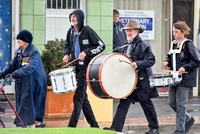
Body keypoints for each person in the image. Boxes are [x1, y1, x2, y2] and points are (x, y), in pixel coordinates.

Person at [104, 20, 159, 134]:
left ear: (137, 31)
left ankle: (154, 128)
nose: (128, 32)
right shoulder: (125, 45)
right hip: (129, 82)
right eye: (127, 30)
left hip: (142, 81)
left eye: (131, 30)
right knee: (123, 104)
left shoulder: (144, 45)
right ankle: (116, 128)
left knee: (147, 104)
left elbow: (151, 60)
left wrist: (138, 64)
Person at [62, 9, 105, 128]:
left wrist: (86, 52)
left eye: (75, 16)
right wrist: (66, 54)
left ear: (80, 18)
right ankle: (94, 125)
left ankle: (71, 126)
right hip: (75, 67)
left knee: (78, 96)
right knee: (83, 98)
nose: (72, 18)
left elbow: (101, 46)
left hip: (86, 67)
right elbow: (67, 45)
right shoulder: (70, 32)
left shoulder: (88, 31)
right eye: (71, 16)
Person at [0, 30, 47, 128]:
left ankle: (30, 125)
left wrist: (17, 73)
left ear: (27, 40)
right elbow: (12, 65)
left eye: (20, 38)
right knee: (22, 101)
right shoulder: (18, 51)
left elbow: (31, 67)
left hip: (35, 81)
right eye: (17, 38)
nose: (18, 40)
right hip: (23, 79)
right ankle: (23, 124)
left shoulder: (34, 51)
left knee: (29, 103)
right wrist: (2, 74)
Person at [163, 22, 200, 134]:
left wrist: (185, 67)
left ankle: (180, 130)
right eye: (173, 31)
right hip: (174, 78)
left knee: (180, 105)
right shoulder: (173, 44)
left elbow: (196, 60)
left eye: (176, 32)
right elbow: (170, 58)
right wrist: (166, 61)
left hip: (185, 78)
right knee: (171, 103)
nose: (174, 34)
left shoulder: (188, 44)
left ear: (183, 32)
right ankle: (189, 119)